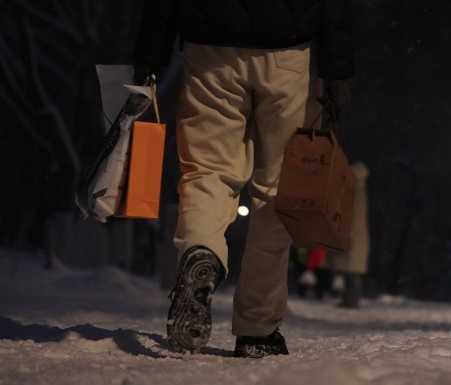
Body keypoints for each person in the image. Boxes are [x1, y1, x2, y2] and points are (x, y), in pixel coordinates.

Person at [133, 1, 353, 357]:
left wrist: (149, 55)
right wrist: (338, 71)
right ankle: (257, 329)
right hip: (288, 52)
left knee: (207, 172)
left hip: (209, 50)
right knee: (280, 191)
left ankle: (199, 249)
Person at [324, 162, 370, 308]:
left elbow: (356, 215)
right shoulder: (355, 189)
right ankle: (349, 299)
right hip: (354, 234)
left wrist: (351, 234)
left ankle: (352, 300)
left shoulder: (356, 191)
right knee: (349, 269)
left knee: (352, 271)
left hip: (354, 235)